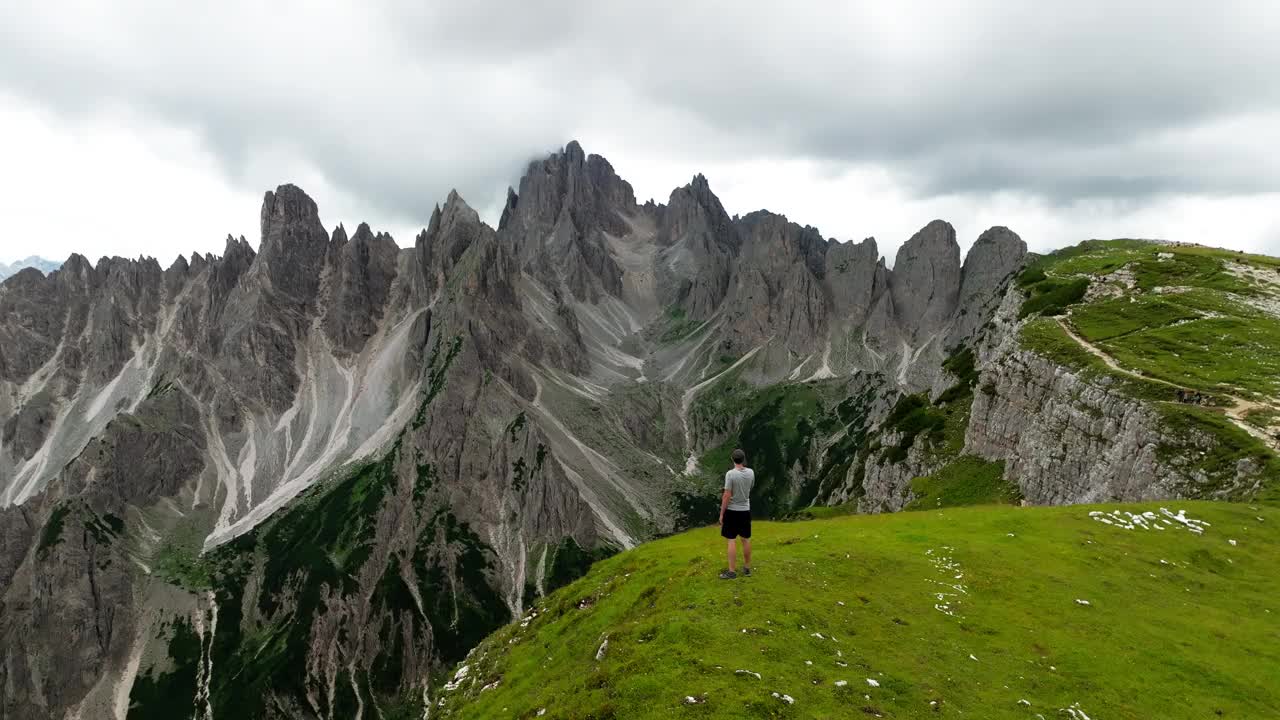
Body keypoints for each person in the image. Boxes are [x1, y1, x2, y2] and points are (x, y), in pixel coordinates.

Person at [718, 448, 754, 579]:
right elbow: (750, 487)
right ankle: (747, 568)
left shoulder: (730, 474)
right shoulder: (751, 472)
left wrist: (722, 513)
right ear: (743, 459)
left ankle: (732, 572)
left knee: (731, 540)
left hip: (732, 511)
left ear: (732, 459)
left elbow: (726, 495)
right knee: (745, 539)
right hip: (745, 510)